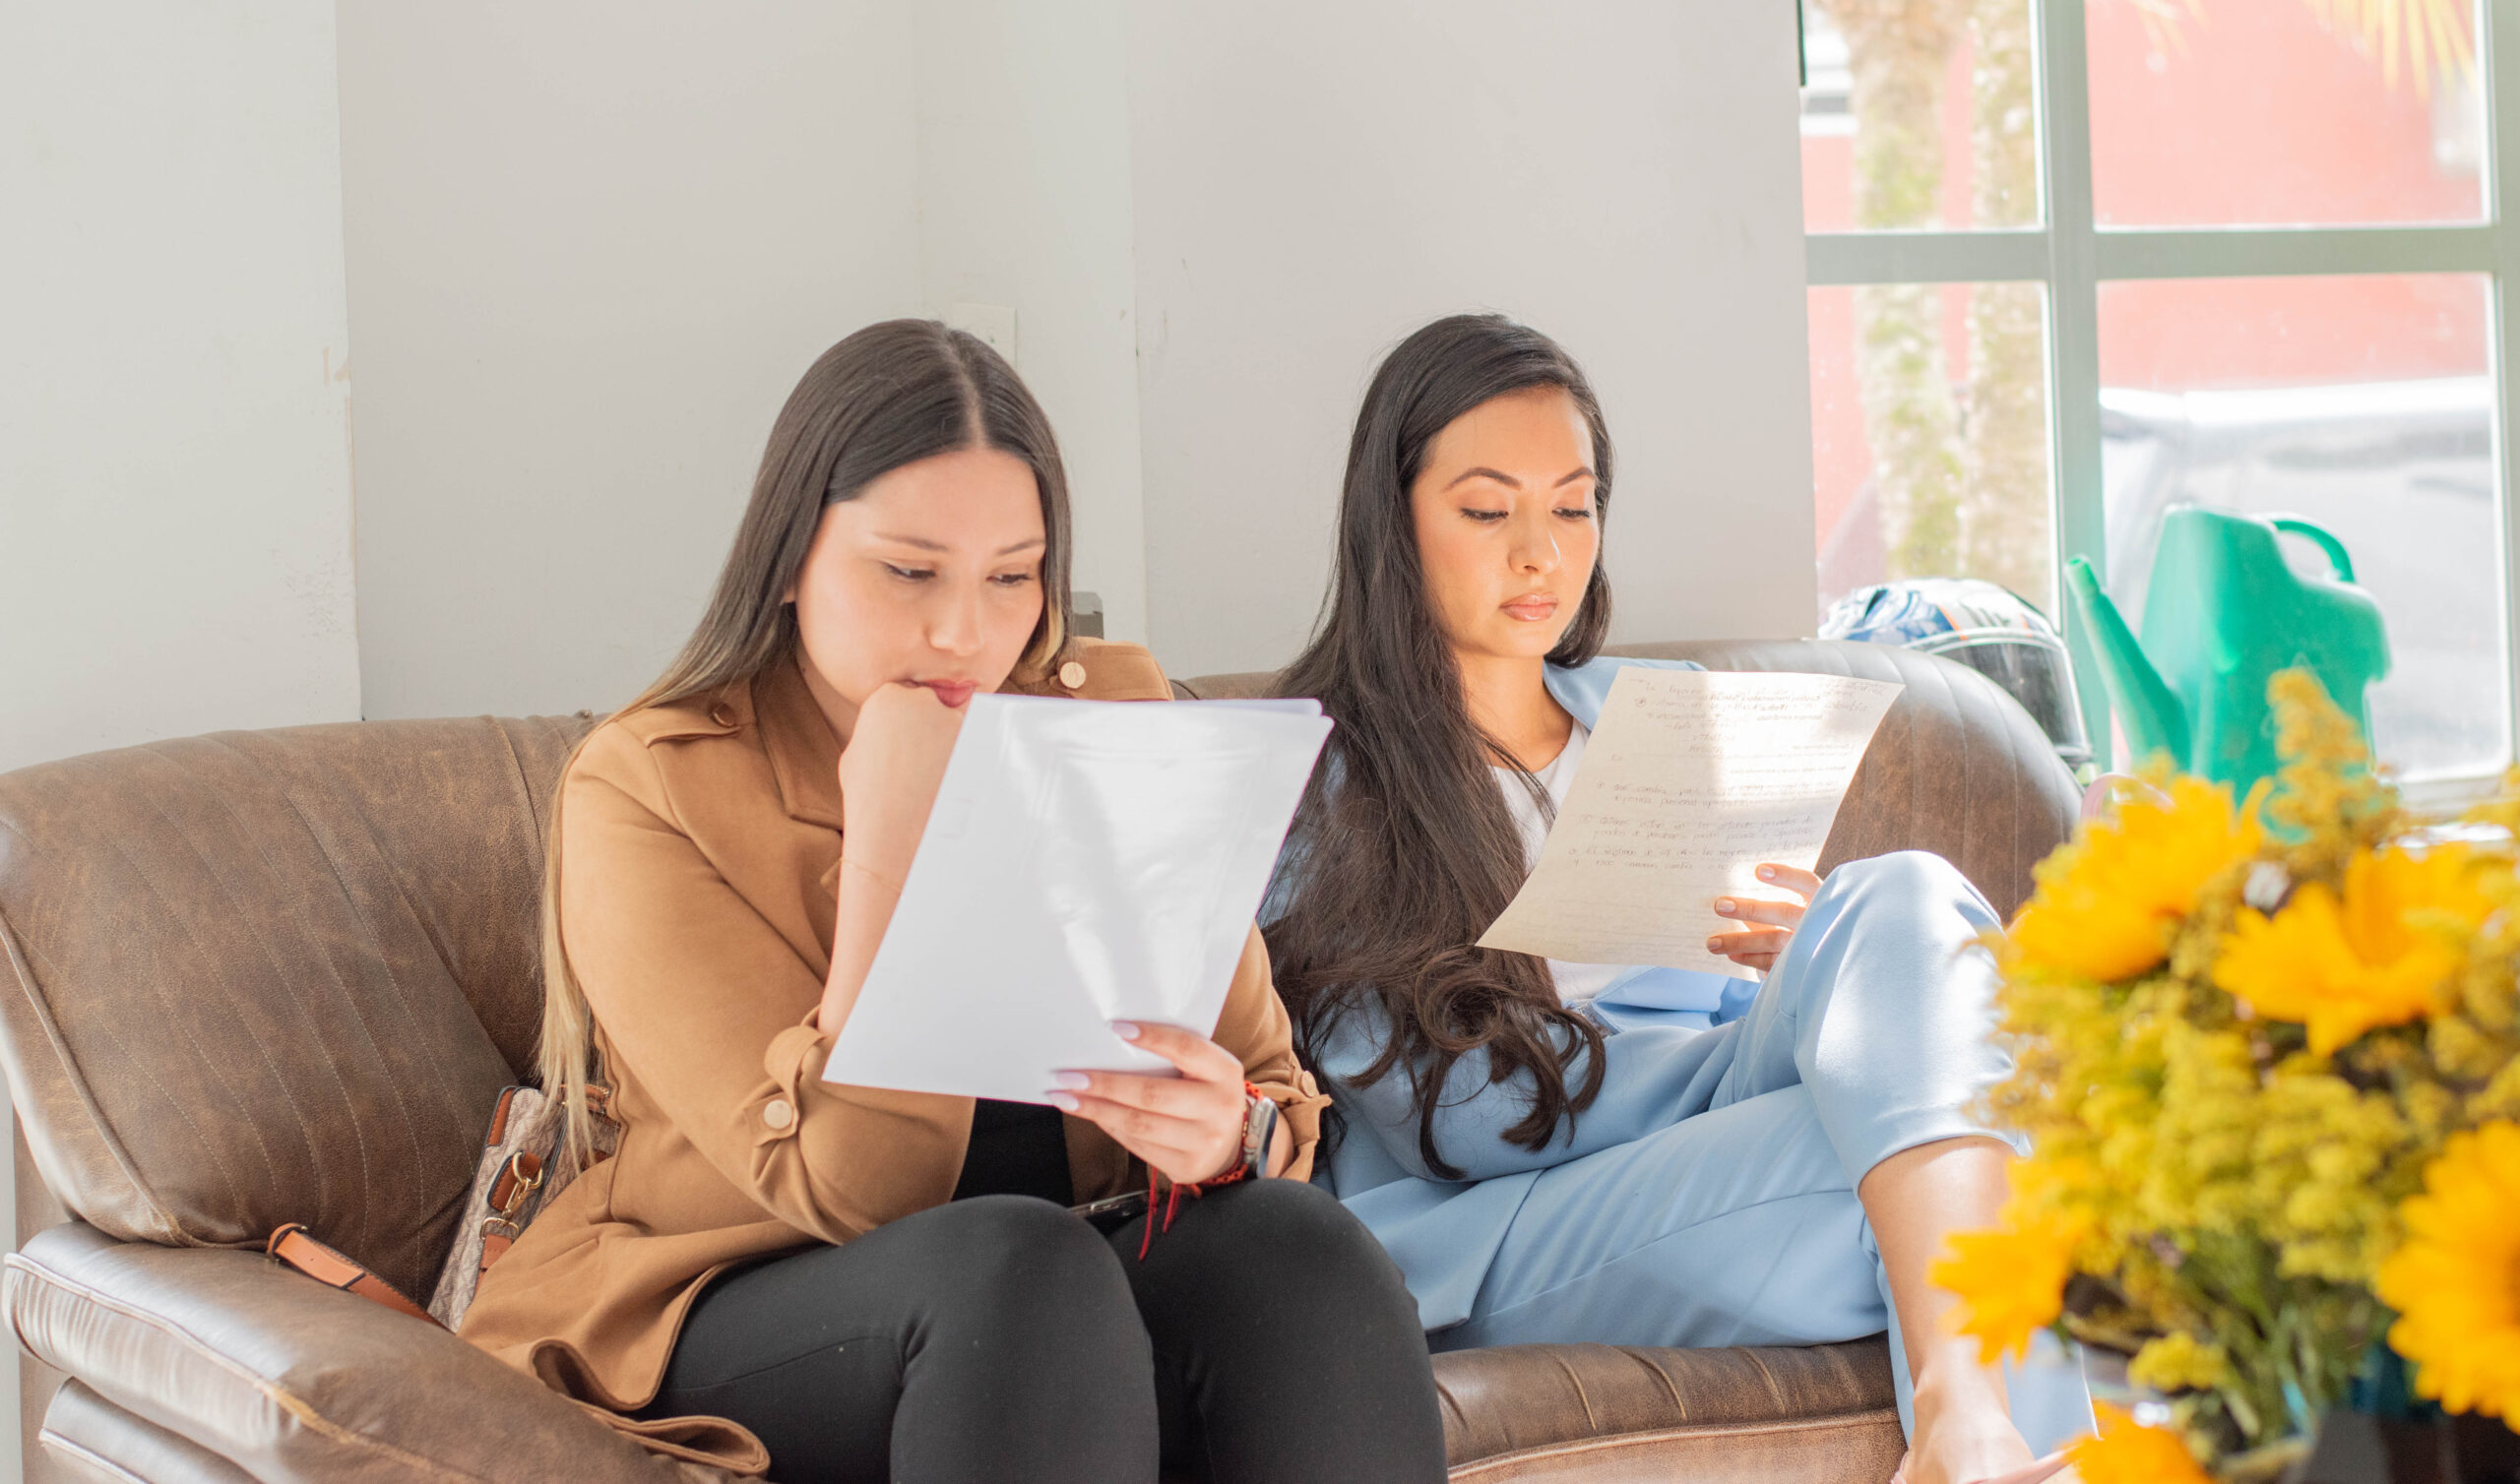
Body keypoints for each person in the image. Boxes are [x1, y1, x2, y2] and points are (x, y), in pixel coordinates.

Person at [460, 320, 1446, 1484]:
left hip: (1058, 1289)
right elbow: (851, 1189)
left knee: (1302, 1254)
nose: (964, 633)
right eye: (909, 571)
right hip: (730, 1290)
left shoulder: (1103, 722)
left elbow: (1271, 1096)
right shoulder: (647, 784)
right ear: (788, 559)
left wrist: (1228, 1133)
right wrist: (895, 825)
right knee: (1015, 1267)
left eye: (1012, 577)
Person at [1262, 314, 2087, 1484]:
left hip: (1716, 1148)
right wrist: (1811, 1055)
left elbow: (1762, 1024)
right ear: (1392, 521)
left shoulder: (1661, 716)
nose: (1540, 552)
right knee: (1972, 1154)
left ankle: (1969, 1425)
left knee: (1898, 898)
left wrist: (1816, 986)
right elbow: (1464, 1127)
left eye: (1574, 504)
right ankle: (1988, 1421)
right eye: (1488, 511)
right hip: (1504, 1226)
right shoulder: (1314, 777)